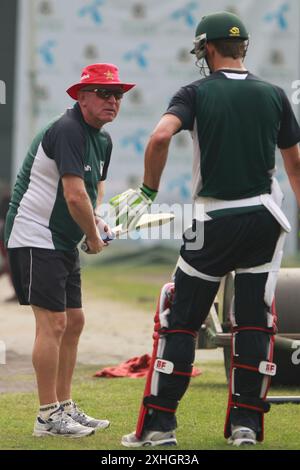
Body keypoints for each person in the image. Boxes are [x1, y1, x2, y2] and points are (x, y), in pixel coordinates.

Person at [121, 11, 300, 447]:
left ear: (208, 48)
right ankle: (247, 427)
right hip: (265, 218)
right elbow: (294, 163)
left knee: (179, 317)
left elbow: (160, 138)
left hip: (214, 219)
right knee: (255, 321)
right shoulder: (274, 94)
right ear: (244, 48)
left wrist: (147, 190)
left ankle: (159, 428)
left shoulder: (195, 92)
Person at [5, 63, 135, 437]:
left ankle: (64, 406)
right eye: (104, 93)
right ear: (81, 97)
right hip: (34, 236)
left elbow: (91, 195)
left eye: (118, 95)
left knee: (74, 321)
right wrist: (93, 237)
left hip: (61, 240)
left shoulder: (103, 139)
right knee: (54, 323)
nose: (113, 101)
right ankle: (47, 416)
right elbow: (73, 193)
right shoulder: (67, 130)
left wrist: (99, 221)